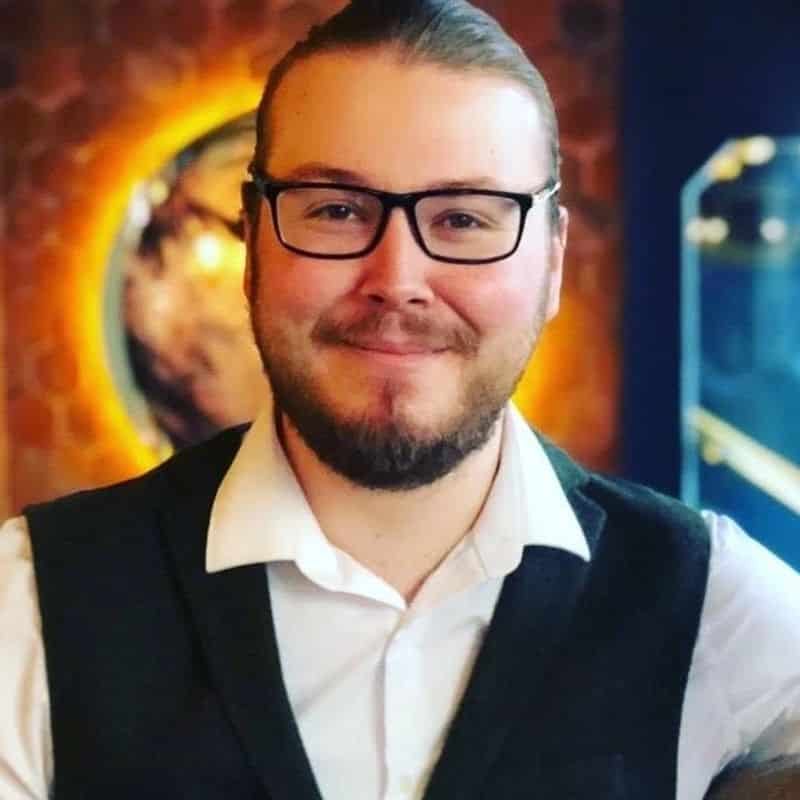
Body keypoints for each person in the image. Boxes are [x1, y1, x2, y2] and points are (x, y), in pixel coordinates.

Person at [1, 1, 799, 798]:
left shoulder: (707, 599)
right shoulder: (33, 604)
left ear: (552, 259)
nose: (397, 280)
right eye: (336, 210)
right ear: (252, 241)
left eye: (463, 218)